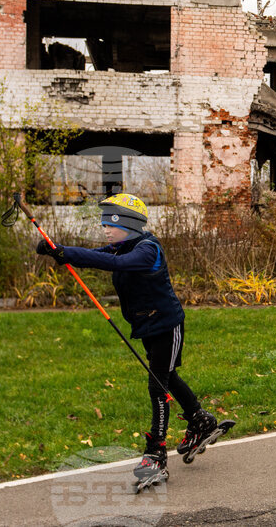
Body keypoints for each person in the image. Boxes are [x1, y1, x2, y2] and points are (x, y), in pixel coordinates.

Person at [35, 193, 221, 483]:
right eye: (104, 223)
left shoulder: (147, 249)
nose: (105, 228)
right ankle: (200, 420)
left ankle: (156, 455)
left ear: (130, 224)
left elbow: (110, 263)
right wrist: (57, 250)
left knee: (157, 385)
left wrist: (67, 253)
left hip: (166, 326)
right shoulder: (121, 247)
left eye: (111, 223)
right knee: (167, 377)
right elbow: (98, 254)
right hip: (147, 326)